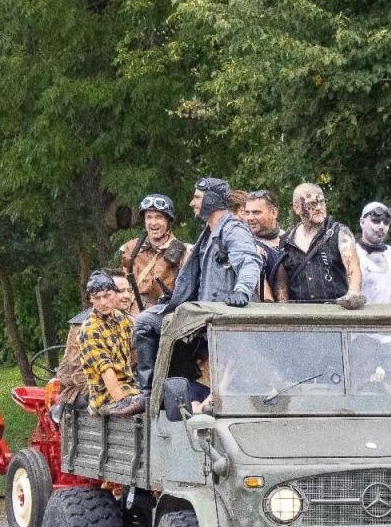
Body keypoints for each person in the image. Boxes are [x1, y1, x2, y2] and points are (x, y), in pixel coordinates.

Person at [132, 177, 262, 388]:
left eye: (197, 198)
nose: (192, 203)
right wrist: (176, 298)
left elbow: (249, 261)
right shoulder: (209, 232)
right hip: (200, 312)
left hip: (222, 314)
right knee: (147, 322)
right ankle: (149, 394)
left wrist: (242, 291)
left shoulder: (233, 229)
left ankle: (163, 394)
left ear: (211, 199)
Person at [276, 183, 364, 307]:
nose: (318, 207)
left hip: (335, 313)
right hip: (300, 315)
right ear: (297, 208)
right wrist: (283, 310)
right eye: (311, 204)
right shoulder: (286, 241)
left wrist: (353, 292)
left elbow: (353, 266)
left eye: (322, 202)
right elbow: (281, 283)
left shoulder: (339, 232)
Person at [77, 270, 144, 417]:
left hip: (130, 387)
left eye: (107, 296)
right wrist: (123, 401)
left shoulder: (122, 319)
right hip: (106, 397)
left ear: (115, 293)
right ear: (90, 300)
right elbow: (106, 371)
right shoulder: (90, 330)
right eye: (97, 298)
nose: (103, 303)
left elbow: (136, 355)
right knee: (145, 404)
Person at [118, 194, 186, 312]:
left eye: (158, 217)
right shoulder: (130, 248)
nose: (153, 222)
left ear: (168, 221)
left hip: (167, 313)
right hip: (133, 313)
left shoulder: (184, 251)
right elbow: (121, 285)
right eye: (149, 217)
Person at [240, 189, 284, 301]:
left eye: (256, 212)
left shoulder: (291, 240)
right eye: (247, 212)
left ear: (273, 213)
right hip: (261, 312)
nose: (250, 218)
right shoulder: (244, 244)